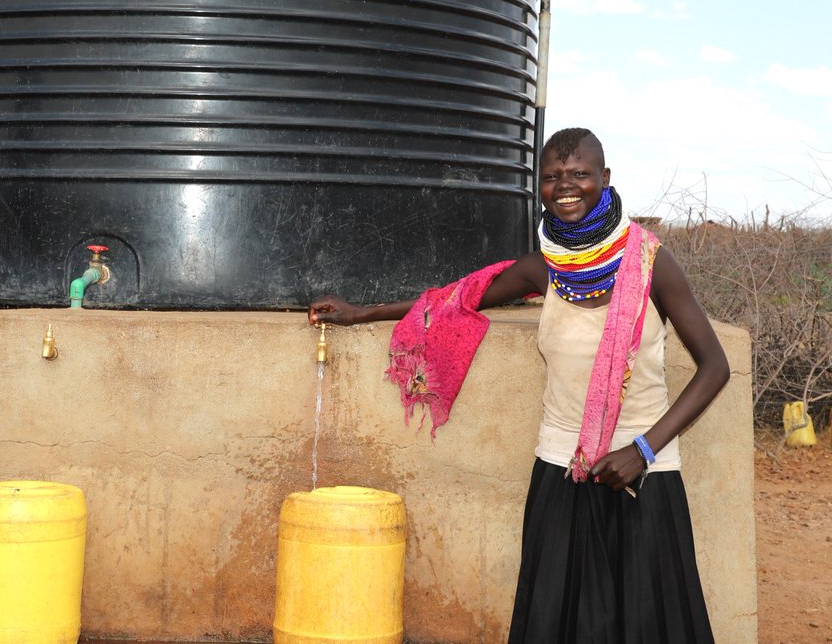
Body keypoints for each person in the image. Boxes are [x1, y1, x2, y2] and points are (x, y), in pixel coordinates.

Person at [308, 127, 730, 644]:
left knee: (649, 624)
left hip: (644, 474)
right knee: (558, 621)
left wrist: (641, 450)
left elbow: (715, 368)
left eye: (579, 174)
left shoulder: (651, 265)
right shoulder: (545, 269)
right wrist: (360, 314)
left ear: (605, 178)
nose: (566, 186)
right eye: (552, 177)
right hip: (561, 469)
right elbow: (456, 299)